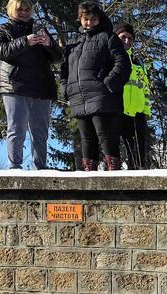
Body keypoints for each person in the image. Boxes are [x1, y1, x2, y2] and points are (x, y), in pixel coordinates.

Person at [0, 0, 63, 170]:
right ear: (11, 10)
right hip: (15, 85)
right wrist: (25, 41)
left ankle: (41, 168)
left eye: (27, 9)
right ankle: (15, 167)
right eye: (20, 9)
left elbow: (59, 58)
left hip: (42, 87)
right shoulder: (3, 29)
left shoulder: (40, 30)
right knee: (17, 129)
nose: (24, 12)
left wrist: (49, 45)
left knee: (40, 132)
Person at [60, 2, 129, 171]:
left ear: (99, 19)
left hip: (101, 97)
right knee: (86, 139)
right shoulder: (73, 43)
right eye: (86, 19)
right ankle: (88, 180)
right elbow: (64, 69)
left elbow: (123, 63)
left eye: (93, 19)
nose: (89, 23)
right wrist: (65, 88)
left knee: (106, 137)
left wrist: (108, 84)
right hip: (78, 97)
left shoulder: (108, 37)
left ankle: (115, 178)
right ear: (80, 19)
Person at [114, 22, 152, 170]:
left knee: (137, 156)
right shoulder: (110, 57)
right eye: (123, 37)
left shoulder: (138, 61)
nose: (127, 41)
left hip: (137, 114)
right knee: (113, 154)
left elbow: (145, 88)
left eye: (130, 38)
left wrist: (145, 111)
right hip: (117, 111)